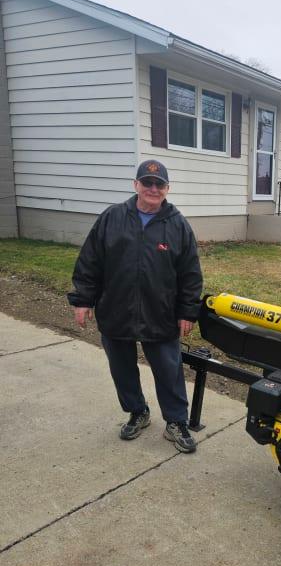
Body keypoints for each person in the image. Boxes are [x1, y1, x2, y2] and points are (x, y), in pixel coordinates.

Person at [68, 160, 203, 453]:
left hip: (161, 313)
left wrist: (187, 311)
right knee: (122, 367)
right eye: (147, 183)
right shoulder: (112, 218)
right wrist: (82, 300)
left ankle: (176, 421)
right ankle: (137, 411)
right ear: (136, 186)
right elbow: (90, 261)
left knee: (169, 370)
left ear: (167, 189)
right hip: (116, 309)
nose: (153, 189)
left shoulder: (177, 224)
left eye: (159, 184)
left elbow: (190, 273)